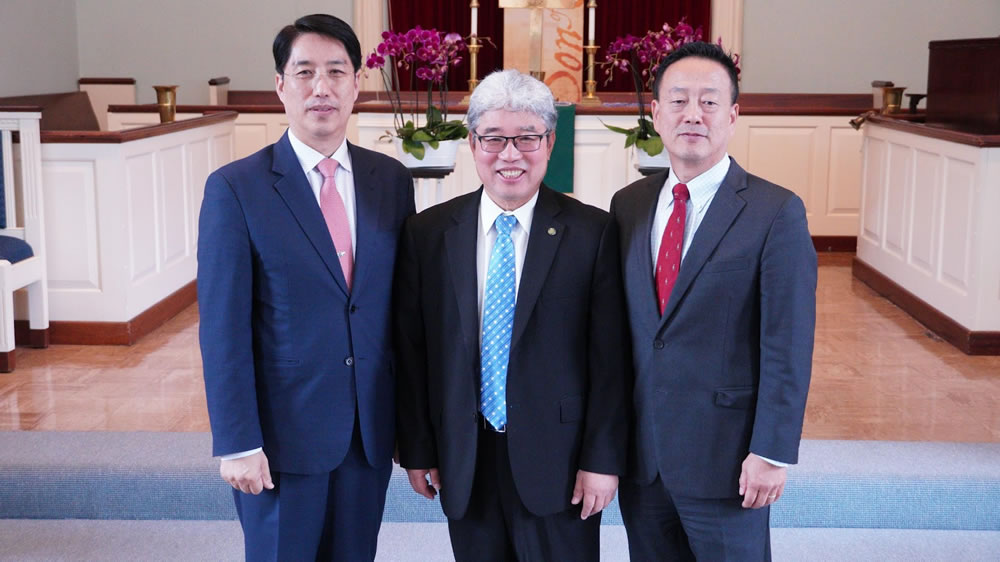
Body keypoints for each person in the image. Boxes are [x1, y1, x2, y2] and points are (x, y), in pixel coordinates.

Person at [196, 13, 414, 561]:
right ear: (280, 86)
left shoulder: (389, 180)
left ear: (357, 84)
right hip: (281, 439)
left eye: (337, 72)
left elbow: (400, 314)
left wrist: (412, 430)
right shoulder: (236, 188)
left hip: (367, 435)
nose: (322, 88)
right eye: (305, 72)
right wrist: (238, 441)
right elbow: (222, 330)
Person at [394, 69, 630, 562]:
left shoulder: (593, 232)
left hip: (560, 461)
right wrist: (417, 448)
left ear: (550, 142)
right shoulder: (428, 233)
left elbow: (611, 361)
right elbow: (413, 353)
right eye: (494, 138)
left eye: (526, 138)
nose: (510, 154)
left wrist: (602, 460)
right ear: (472, 142)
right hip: (464, 455)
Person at [610, 41, 817, 560]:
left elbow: (788, 344)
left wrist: (771, 451)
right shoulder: (628, 205)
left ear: (732, 114)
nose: (693, 114)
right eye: (678, 100)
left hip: (727, 460)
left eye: (709, 101)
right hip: (644, 457)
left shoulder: (775, 211)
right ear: (655, 112)